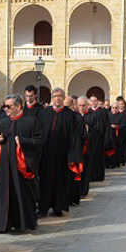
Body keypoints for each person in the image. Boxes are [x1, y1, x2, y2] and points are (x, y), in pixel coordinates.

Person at [0, 94, 42, 233]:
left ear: (18, 106)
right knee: (4, 193)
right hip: (5, 166)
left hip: (22, 166)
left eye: (8, 106)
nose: (5, 109)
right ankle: (4, 224)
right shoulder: (3, 122)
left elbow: (39, 141)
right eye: (4, 106)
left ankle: (24, 222)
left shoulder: (31, 122)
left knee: (22, 193)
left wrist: (23, 142)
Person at [37, 88, 82, 217]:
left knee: (60, 181)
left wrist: (73, 155)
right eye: (55, 96)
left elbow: (74, 137)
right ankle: (42, 208)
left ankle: (58, 207)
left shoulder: (70, 115)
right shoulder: (44, 113)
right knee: (45, 181)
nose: (58, 98)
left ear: (63, 98)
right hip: (46, 154)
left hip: (63, 154)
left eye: (60, 96)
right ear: (52, 98)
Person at [86, 95, 114, 182]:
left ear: (98, 101)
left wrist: (107, 139)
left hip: (100, 139)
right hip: (90, 139)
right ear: (89, 102)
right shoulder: (88, 112)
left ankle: (98, 176)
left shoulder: (103, 112)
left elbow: (107, 126)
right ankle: (90, 176)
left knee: (99, 159)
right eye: (92, 101)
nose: (93, 103)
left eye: (95, 101)